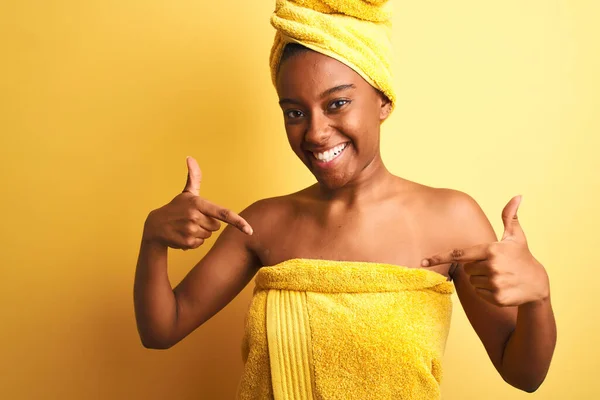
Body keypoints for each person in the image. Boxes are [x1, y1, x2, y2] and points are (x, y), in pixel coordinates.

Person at [134, 0, 556, 398]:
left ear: (383, 101)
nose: (315, 132)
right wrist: (153, 239)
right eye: (294, 112)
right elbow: (162, 329)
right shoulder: (262, 223)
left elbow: (523, 374)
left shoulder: (451, 219)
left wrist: (539, 296)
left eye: (337, 103)